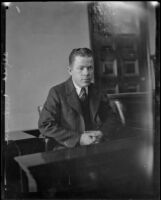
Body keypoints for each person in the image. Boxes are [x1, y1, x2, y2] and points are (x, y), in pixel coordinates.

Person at [38, 48, 122, 150]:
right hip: (67, 149)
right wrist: (79, 138)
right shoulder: (57, 92)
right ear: (70, 70)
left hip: (96, 146)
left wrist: (101, 133)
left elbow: (112, 119)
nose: (86, 73)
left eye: (90, 68)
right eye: (81, 68)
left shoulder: (98, 91)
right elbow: (45, 125)